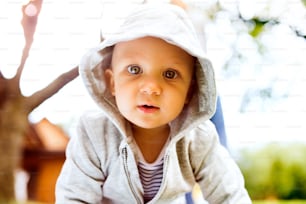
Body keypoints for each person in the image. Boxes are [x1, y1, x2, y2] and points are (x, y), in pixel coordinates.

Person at [56, 4, 251, 204]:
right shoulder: (94, 133)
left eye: (170, 74)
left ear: (189, 91)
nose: (151, 88)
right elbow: (74, 196)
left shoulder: (199, 139)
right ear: (112, 83)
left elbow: (230, 195)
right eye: (134, 69)